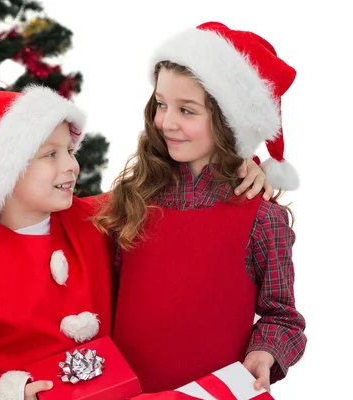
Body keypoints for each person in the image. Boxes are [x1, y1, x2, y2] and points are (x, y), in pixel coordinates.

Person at [93, 22, 306, 394]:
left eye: (187, 110)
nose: (167, 123)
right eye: (161, 104)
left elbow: (282, 317)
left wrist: (266, 352)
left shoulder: (261, 217)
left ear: (228, 122)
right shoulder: (135, 196)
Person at [0, 86, 115, 400]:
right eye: (51, 154)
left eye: (70, 150)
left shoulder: (95, 222)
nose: (71, 165)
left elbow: (156, 193)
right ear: (6, 173)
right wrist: (13, 392)